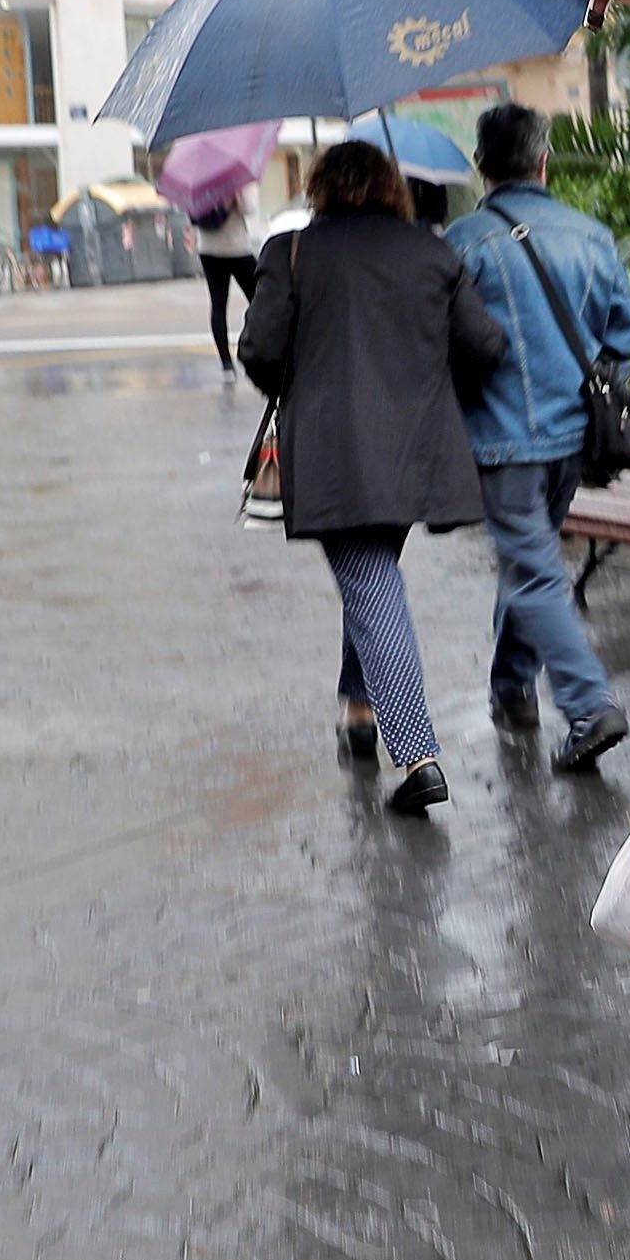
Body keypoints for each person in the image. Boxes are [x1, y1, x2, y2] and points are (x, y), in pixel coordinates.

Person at [241, 139, 509, 816]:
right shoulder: (432, 251)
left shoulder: (291, 253)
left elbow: (261, 352)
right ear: (392, 186)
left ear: (321, 189)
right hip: (415, 450)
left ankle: (418, 755)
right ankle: (359, 709)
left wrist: (299, 378)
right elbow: (483, 346)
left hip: (333, 453)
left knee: (370, 582)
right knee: (372, 573)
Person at [445, 102, 630, 773]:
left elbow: (447, 343)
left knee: (532, 574)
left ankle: (589, 706)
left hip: (504, 443)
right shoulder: (590, 235)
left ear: (481, 167)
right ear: (543, 162)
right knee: (528, 562)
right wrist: (589, 385)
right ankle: (511, 689)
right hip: (573, 444)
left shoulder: (462, 242)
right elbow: (627, 339)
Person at [189, 193, 263, 380]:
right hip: (236, 247)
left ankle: (226, 364)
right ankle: (262, 348)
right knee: (260, 299)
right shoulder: (233, 178)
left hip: (208, 249)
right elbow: (249, 208)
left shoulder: (200, 182)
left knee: (218, 305)